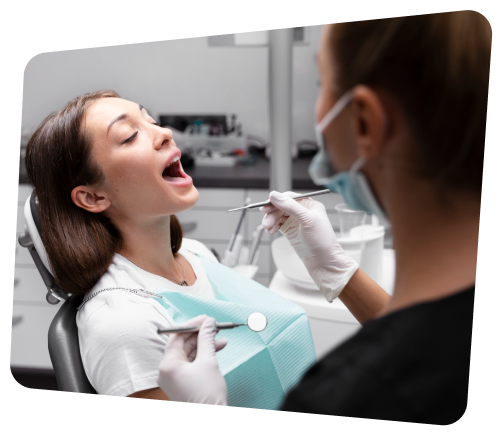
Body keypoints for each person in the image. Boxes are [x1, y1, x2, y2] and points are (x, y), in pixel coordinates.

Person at [157, 11, 490, 425]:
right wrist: (338, 272)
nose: (163, 136)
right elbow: (437, 339)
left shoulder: (352, 401)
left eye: (322, 84)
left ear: (365, 121)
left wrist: (207, 420)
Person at [24, 91, 315, 405]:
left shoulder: (196, 253)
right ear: (93, 197)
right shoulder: (122, 326)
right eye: (130, 136)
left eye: (150, 120)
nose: (165, 133)